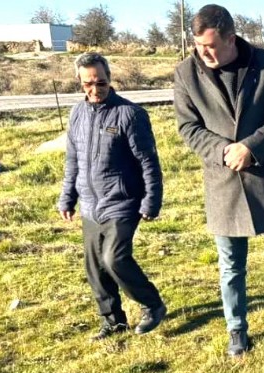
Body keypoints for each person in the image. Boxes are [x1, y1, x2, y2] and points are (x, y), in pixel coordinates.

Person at [173, 4, 264, 357]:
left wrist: (251, 148)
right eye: (198, 45)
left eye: (210, 46)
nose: (204, 53)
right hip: (222, 181)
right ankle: (237, 330)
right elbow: (187, 126)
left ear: (231, 37)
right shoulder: (184, 72)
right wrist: (225, 150)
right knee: (230, 266)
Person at [58, 52, 167, 341]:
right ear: (80, 82)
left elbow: (149, 163)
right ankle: (113, 321)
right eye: (88, 84)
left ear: (110, 79)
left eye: (101, 83)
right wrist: (67, 197)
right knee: (95, 267)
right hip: (90, 205)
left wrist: (152, 201)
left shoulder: (130, 115)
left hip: (123, 201)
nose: (95, 90)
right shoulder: (76, 114)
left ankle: (152, 305)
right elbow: (73, 160)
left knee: (114, 258)